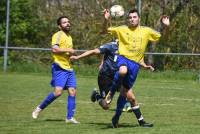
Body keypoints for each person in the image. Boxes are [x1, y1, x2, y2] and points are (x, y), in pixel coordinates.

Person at [102, 9, 169, 128]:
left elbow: (161, 36)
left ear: (139, 19)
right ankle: (111, 92)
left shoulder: (146, 31)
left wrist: (165, 26)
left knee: (126, 95)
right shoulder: (122, 29)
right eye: (130, 17)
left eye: (134, 17)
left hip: (135, 65)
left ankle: (119, 119)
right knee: (122, 70)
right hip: (123, 59)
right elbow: (104, 31)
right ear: (128, 19)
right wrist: (106, 20)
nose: (132, 19)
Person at [70, 40, 154, 111]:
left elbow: (137, 59)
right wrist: (78, 57)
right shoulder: (111, 46)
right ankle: (96, 95)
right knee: (105, 106)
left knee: (126, 91)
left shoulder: (128, 49)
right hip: (105, 76)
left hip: (118, 75)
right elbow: (94, 51)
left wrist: (145, 66)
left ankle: (127, 105)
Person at [32, 16, 79, 124]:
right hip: (59, 67)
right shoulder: (58, 35)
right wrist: (69, 50)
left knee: (72, 91)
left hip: (69, 67)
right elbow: (55, 49)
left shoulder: (69, 37)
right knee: (58, 92)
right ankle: (39, 108)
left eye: (68, 21)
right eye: (64, 22)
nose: (67, 23)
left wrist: (71, 56)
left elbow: (66, 52)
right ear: (59, 26)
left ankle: (70, 117)